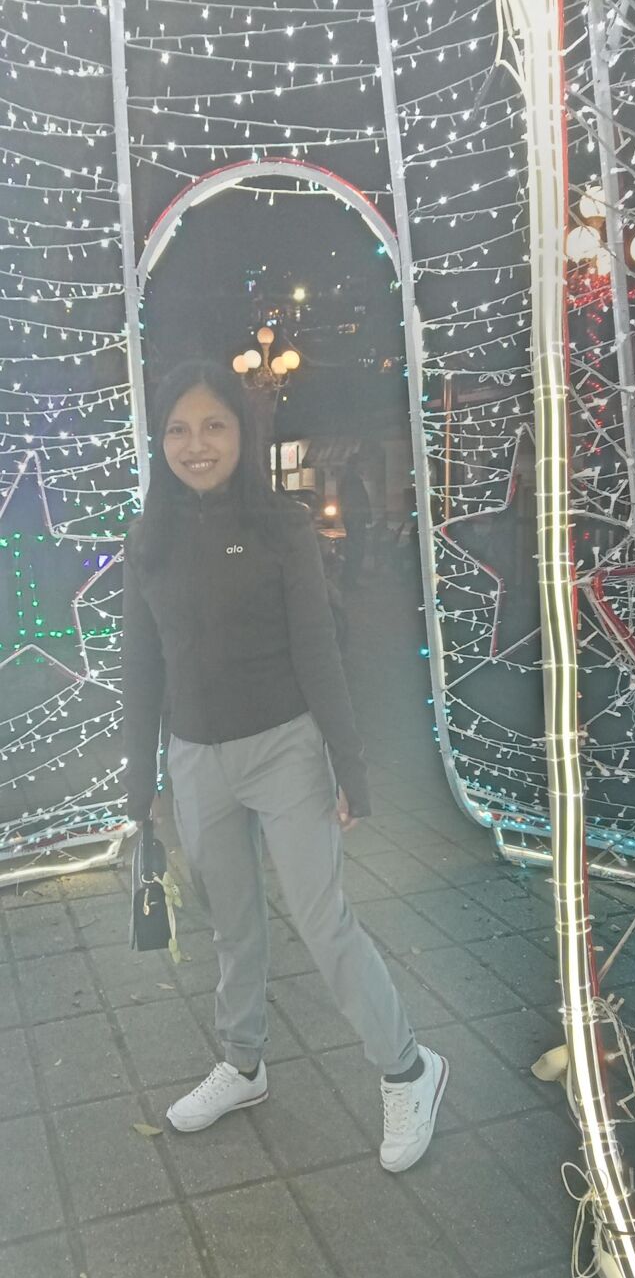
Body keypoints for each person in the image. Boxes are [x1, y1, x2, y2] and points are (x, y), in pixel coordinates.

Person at [123, 359, 448, 1174]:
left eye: (214, 424)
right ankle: (244, 1063)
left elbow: (318, 649)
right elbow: (141, 667)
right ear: (160, 441)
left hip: (285, 750)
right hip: (195, 758)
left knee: (321, 917)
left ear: (243, 430)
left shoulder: (281, 525)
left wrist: (349, 763)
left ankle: (409, 1067)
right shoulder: (148, 537)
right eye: (178, 429)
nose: (196, 444)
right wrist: (139, 785)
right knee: (232, 923)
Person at [337, 446, 372, 590]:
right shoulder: (352, 480)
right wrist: (357, 519)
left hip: (355, 520)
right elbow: (352, 502)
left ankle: (350, 581)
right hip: (355, 521)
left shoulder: (351, 479)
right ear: (356, 464)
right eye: (362, 463)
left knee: (355, 551)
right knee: (355, 551)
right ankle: (349, 581)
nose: (364, 466)